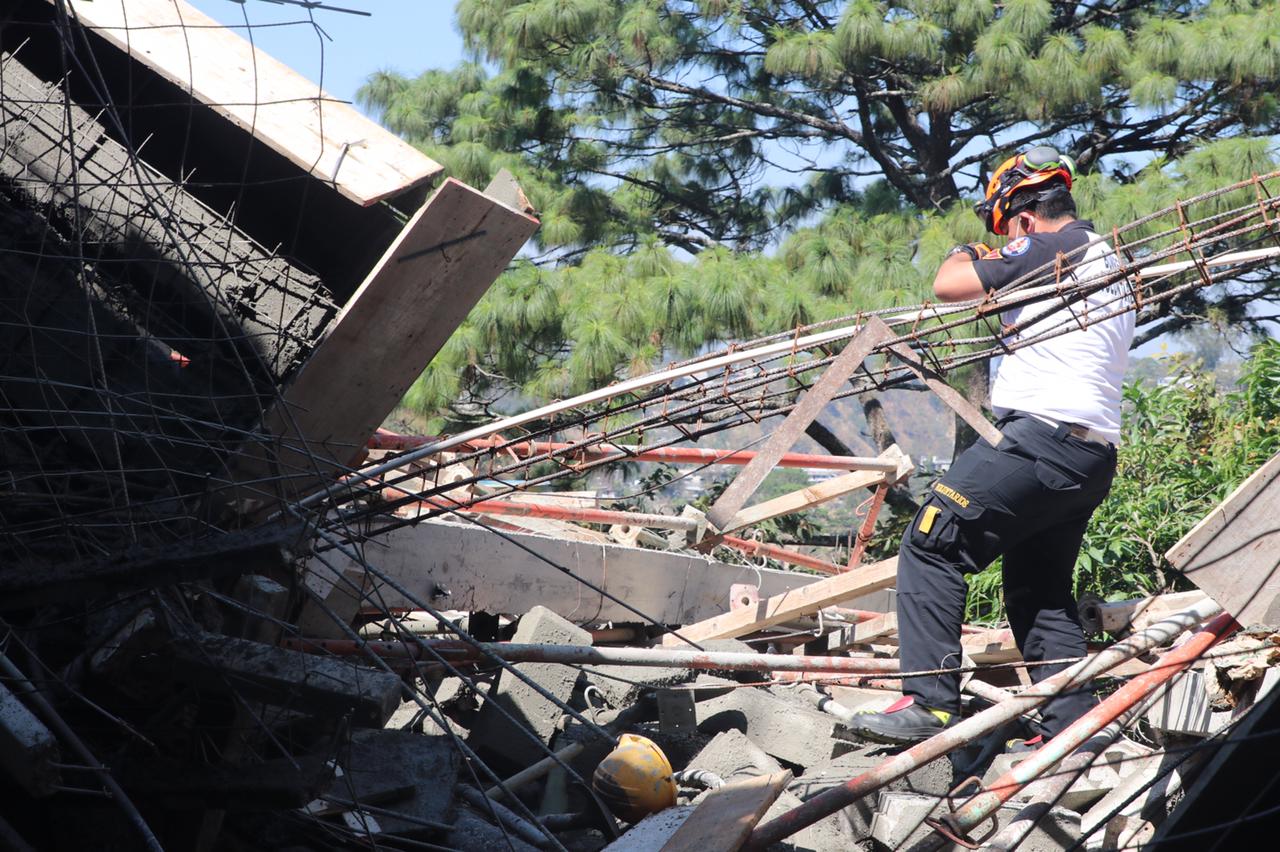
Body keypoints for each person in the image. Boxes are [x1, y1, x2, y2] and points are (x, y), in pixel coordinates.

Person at [852, 146, 1135, 745]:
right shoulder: (1107, 259)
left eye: (1004, 228)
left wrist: (969, 251)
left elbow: (949, 282)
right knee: (1039, 592)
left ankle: (928, 702)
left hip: (1043, 437)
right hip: (1090, 454)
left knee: (932, 538)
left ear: (1025, 220)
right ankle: (1072, 729)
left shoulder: (1053, 245)